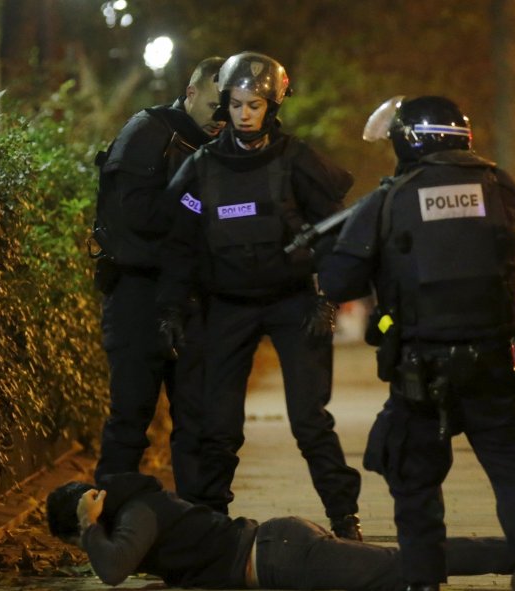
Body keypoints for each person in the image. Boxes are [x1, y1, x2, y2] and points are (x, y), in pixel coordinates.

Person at [315, 96, 515, 591]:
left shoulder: (391, 198)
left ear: (404, 141)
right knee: (512, 465)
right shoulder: (502, 186)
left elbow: (338, 280)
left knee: (413, 474)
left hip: (422, 366)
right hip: (497, 360)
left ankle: (423, 580)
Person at [157, 51, 362, 539]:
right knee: (219, 426)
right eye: (237, 103)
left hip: (293, 302)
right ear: (225, 104)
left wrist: (327, 297)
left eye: (255, 104)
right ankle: (209, 523)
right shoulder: (201, 168)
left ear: (273, 106)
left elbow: (337, 234)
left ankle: (343, 518)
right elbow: (180, 242)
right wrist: (171, 308)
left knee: (310, 421)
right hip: (228, 305)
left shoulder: (297, 160)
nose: (245, 113)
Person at [45, 474, 515, 591]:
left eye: (76, 537)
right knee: (400, 568)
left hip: (282, 555)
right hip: (278, 555)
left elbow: (112, 570)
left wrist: (88, 530)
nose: (82, 548)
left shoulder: (136, 511)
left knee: (406, 565)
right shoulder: (139, 515)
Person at [91, 57, 226, 499]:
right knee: (130, 415)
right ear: (189, 94)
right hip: (138, 292)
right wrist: (195, 213)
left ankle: (206, 529)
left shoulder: (227, 145)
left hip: (195, 298)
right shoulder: (149, 131)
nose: (220, 117)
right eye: (212, 105)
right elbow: (135, 215)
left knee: (200, 422)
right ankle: (110, 524)